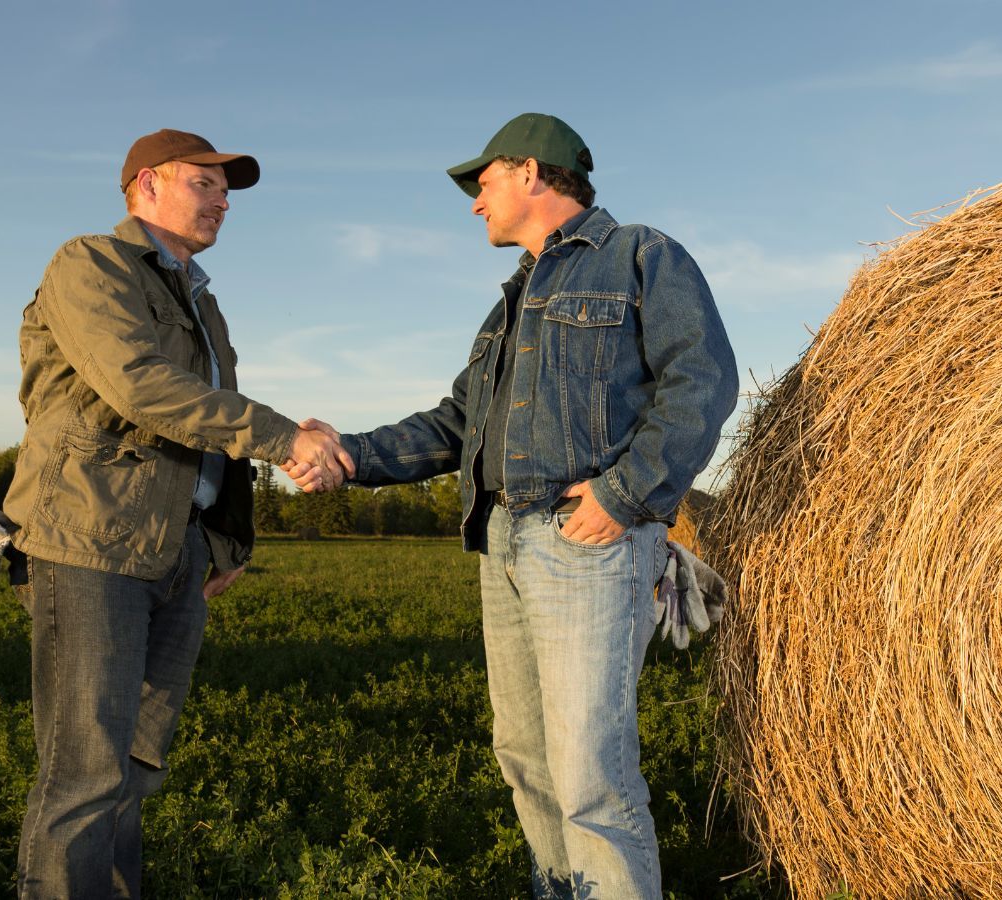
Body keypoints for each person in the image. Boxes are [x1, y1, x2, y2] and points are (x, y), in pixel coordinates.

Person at [286, 113, 737, 899]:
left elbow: (701, 380)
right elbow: (456, 425)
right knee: (525, 761)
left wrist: (624, 495)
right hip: (502, 541)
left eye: (483, 182)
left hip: (585, 543)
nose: (473, 203)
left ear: (530, 171)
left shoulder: (639, 254)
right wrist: (349, 452)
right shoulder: (509, 307)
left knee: (590, 775)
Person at [0, 128, 353, 899]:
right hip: (91, 544)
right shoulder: (90, 263)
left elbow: (209, 435)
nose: (223, 201)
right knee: (85, 771)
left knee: (134, 765)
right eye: (207, 183)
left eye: (227, 190)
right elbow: (143, 388)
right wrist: (287, 437)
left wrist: (224, 540)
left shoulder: (204, 305)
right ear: (146, 184)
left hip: (175, 553)